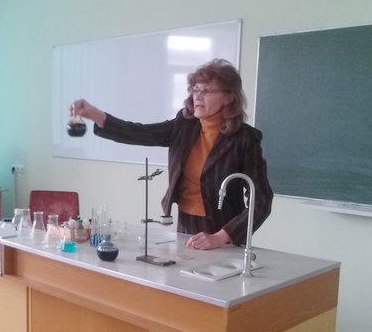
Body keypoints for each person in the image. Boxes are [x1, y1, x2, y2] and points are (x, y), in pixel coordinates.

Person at [69, 58, 273, 250]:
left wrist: (222, 236)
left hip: (224, 230)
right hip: (186, 223)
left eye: (207, 91)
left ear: (229, 97)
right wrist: (97, 115)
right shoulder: (185, 126)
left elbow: (262, 200)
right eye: (196, 89)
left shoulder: (245, 138)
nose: (198, 96)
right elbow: (141, 133)